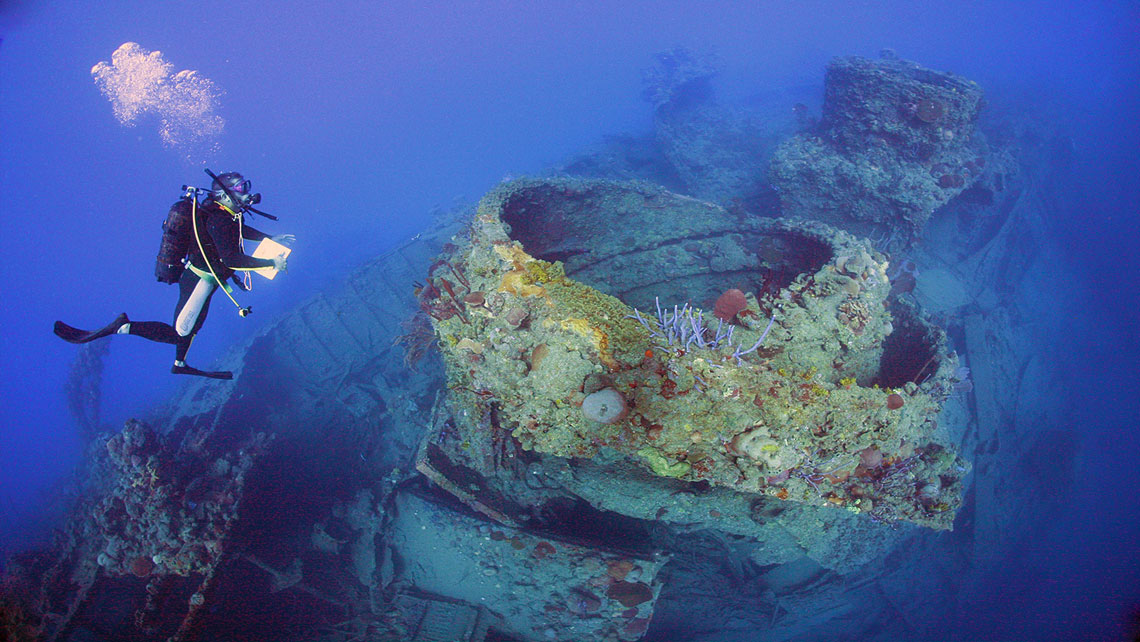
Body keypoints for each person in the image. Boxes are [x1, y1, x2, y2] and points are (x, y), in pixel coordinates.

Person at [54, 171, 292, 380]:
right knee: (180, 332)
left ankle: (180, 363)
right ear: (224, 194)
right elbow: (232, 260)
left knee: (194, 326)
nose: (246, 192)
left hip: (207, 280)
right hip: (200, 280)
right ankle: (123, 326)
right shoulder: (219, 219)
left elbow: (239, 231)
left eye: (245, 186)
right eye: (240, 188)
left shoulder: (227, 214)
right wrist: (272, 262)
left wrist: (268, 238)